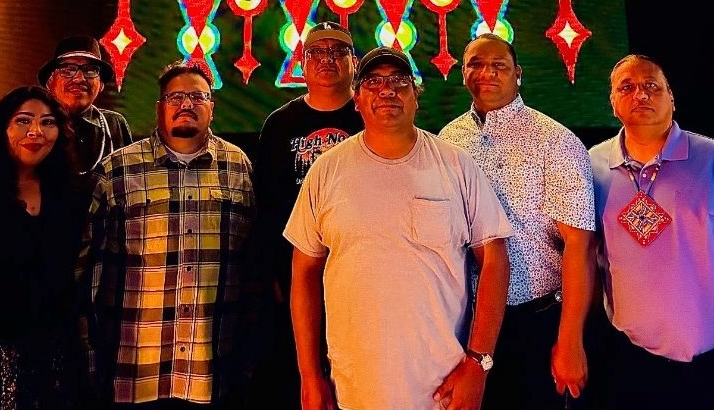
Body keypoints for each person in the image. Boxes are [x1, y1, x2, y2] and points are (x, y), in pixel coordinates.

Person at [285, 45, 512, 410]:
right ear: (356, 100)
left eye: (399, 82)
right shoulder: (326, 171)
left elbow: (495, 260)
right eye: (373, 83)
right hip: (353, 388)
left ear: (416, 98)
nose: (387, 90)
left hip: (444, 389)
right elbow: (304, 273)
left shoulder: (456, 166)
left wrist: (479, 363)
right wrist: (310, 376)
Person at [77, 59, 255, 409]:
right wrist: (87, 351)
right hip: (135, 369)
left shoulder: (238, 165)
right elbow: (87, 268)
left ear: (212, 108)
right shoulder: (118, 168)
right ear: (159, 107)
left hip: (212, 369)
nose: (186, 104)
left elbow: (251, 265)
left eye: (197, 96)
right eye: (175, 97)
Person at [439, 33, 596, 410]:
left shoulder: (554, 140)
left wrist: (570, 339)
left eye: (499, 65)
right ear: (463, 73)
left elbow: (580, 246)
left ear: (518, 74)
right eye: (476, 63)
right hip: (467, 320)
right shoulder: (448, 139)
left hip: (536, 321)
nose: (487, 72)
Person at [589, 53, 714, 409]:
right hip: (630, 356)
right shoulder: (590, 166)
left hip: (708, 356)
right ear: (612, 102)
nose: (640, 94)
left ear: (671, 97)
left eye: (651, 86)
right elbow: (583, 253)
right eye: (626, 87)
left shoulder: (709, 157)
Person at [250, 21, 363, 409]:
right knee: (305, 381)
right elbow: (265, 207)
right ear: (302, 62)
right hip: (297, 276)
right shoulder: (279, 125)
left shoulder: (374, 116)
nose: (327, 59)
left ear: (355, 62)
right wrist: (273, 277)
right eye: (317, 52)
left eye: (338, 52)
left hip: (362, 276)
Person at [0, 85, 86, 410]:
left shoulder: (70, 194)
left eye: (48, 122)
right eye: (23, 121)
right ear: (2, 128)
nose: (36, 132)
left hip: (53, 352)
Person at [39, 35, 132, 176]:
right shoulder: (34, 126)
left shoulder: (114, 125)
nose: (79, 79)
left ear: (101, 84)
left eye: (90, 70)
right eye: (68, 69)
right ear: (50, 82)